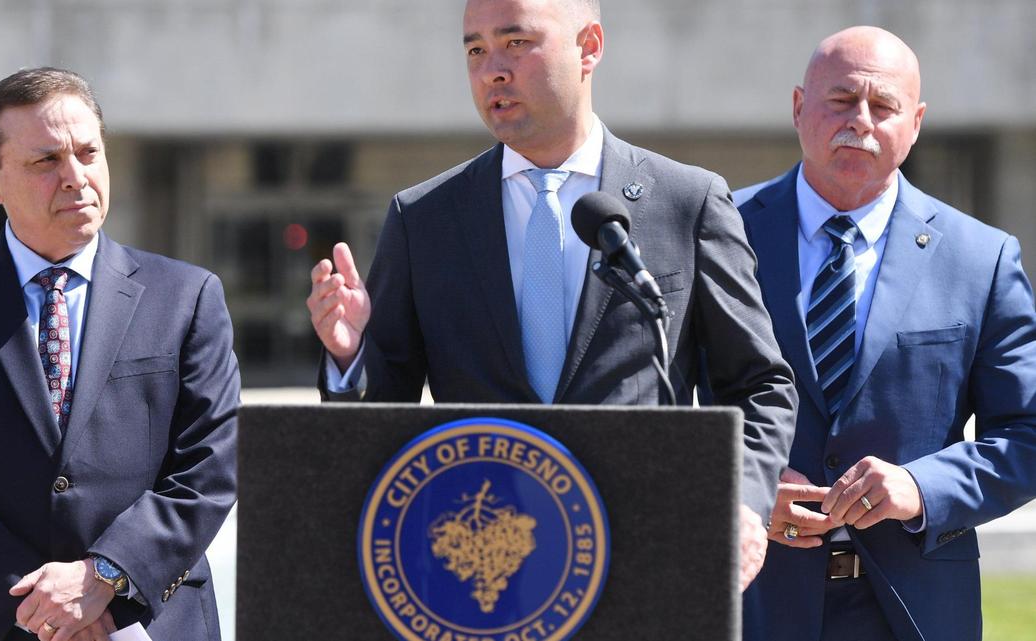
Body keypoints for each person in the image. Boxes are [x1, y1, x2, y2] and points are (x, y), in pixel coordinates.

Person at [306, 0, 797, 591]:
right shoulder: (424, 219)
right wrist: (349, 356)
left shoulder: (685, 201)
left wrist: (742, 503)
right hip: (485, 567)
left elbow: (760, 385)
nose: (492, 70)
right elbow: (383, 417)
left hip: (644, 558)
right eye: (475, 50)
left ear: (588, 47)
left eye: (516, 43)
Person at [0, 68, 240, 641]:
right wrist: (40, 608)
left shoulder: (188, 296)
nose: (76, 178)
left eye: (88, 153)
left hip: (148, 618)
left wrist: (104, 576)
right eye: (46, 161)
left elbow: (208, 466)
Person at [738, 26, 1036, 641]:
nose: (861, 122)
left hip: (917, 610)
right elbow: (656, 403)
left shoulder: (981, 259)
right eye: (842, 100)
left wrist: (922, 486)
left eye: (884, 106)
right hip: (754, 601)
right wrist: (737, 489)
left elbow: (1028, 435)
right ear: (799, 108)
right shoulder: (720, 232)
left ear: (917, 121)